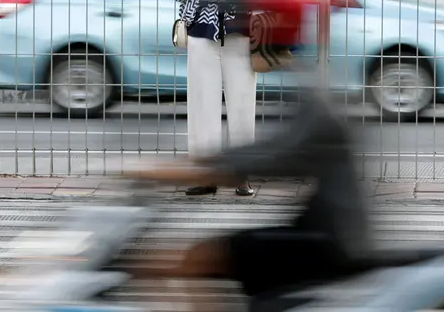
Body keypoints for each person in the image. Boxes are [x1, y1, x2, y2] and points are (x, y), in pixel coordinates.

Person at [128, 91, 376, 299]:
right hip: (325, 231)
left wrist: (194, 169)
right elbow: (271, 150)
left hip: (330, 242)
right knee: (197, 257)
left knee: (203, 256)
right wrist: (198, 165)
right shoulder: (316, 97)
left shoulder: (318, 108)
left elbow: (274, 155)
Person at [168, 0, 267, 196]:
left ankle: (241, 175)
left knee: (241, 105)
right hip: (201, 32)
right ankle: (205, 175)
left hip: (240, 33)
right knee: (201, 106)